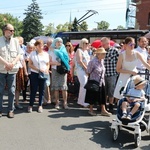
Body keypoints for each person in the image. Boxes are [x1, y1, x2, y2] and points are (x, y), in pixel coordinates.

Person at [0, 23, 21, 118]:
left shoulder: (16, 41)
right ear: (5, 31)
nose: (13, 32)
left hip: (12, 70)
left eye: (13, 30)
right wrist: (6, 64)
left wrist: (12, 64)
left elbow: (19, 54)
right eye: (11, 30)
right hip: (1, 70)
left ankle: (10, 110)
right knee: (0, 91)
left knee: (12, 91)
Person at [85, 48, 112, 116]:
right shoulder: (92, 62)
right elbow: (88, 71)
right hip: (94, 81)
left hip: (101, 81)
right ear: (98, 54)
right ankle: (91, 110)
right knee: (92, 96)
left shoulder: (102, 61)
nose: (104, 55)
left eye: (104, 53)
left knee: (102, 95)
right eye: (103, 54)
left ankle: (103, 110)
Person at [28, 40, 50, 113]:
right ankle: (30, 105)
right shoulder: (32, 54)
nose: (41, 47)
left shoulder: (46, 54)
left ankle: (40, 105)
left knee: (42, 90)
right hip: (35, 73)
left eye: (42, 45)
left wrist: (46, 69)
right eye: (39, 45)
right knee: (33, 89)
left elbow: (48, 63)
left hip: (43, 74)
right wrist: (38, 69)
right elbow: (30, 64)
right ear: (36, 46)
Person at [50, 37, 70, 109]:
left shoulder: (64, 50)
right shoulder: (51, 51)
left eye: (61, 42)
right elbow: (48, 62)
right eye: (58, 41)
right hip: (55, 70)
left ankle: (65, 103)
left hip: (63, 70)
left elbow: (67, 60)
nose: (59, 43)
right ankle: (57, 103)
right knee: (56, 88)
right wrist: (55, 63)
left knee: (64, 87)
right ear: (55, 42)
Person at [101, 37, 119, 113]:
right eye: (102, 44)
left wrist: (118, 72)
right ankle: (103, 106)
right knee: (104, 90)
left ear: (108, 43)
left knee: (111, 90)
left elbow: (119, 62)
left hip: (112, 74)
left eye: (103, 44)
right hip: (103, 74)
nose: (102, 45)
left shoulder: (114, 51)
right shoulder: (101, 51)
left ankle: (111, 105)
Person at [75, 38, 90, 107]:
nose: (87, 44)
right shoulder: (79, 50)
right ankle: (83, 102)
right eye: (86, 43)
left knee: (83, 86)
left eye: (88, 43)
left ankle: (81, 101)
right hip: (81, 70)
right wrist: (86, 69)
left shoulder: (86, 51)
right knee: (84, 85)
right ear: (82, 43)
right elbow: (79, 61)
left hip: (86, 70)